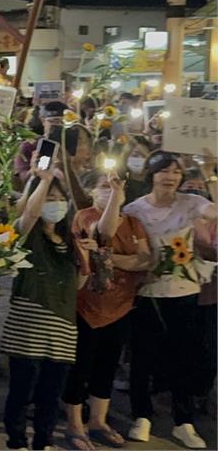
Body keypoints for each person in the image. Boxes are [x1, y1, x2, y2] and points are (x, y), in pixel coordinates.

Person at [122, 152, 217, 449]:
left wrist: (209, 171)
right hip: (147, 292)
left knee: (184, 357)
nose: (171, 177)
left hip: (184, 290)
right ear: (152, 174)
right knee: (143, 357)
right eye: (164, 171)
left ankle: (183, 421)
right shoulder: (134, 209)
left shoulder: (190, 203)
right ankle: (142, 415)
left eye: (176, 171)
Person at [61, 170, 152, 450]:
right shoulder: (84, 216)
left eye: (116, 187)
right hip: (87, 307)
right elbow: (103, 233)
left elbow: (145, 260)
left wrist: (111, 258)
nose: (113, 191)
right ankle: (75, 424)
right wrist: (124, 258)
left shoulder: (135, 223)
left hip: (121, 306)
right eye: (104, 187)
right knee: (80, 367)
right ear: (91, 192)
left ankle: (98, 420)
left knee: (107, 366)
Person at [2, 165, 85, 451]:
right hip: (28, 327)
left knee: (50, 394)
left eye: (60, 199)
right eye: (50, 198)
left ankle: (44, 441)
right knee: (22, 391)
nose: (56, 204)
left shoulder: (71, 241)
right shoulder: (26, 234)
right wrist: (44, 180)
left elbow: (80, 283)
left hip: (62, 329)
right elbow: (30, 215)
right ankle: (16, 441)